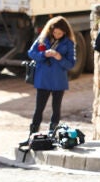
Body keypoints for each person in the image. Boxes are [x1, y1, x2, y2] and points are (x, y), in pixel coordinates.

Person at [19, 16, 76, 146]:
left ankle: (52, 135)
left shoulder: (68, 43)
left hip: (58, 81)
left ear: (65, 32)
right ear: (51, 30)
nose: (57, 35)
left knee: (56, 109)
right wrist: (44, 54)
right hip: (43, 79)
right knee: (39, 109)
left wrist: (59, 57)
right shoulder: (42, 39)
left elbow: (71, 64)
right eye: (55, 32)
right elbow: (31, 53)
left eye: (60, 33)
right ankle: (31, 136)